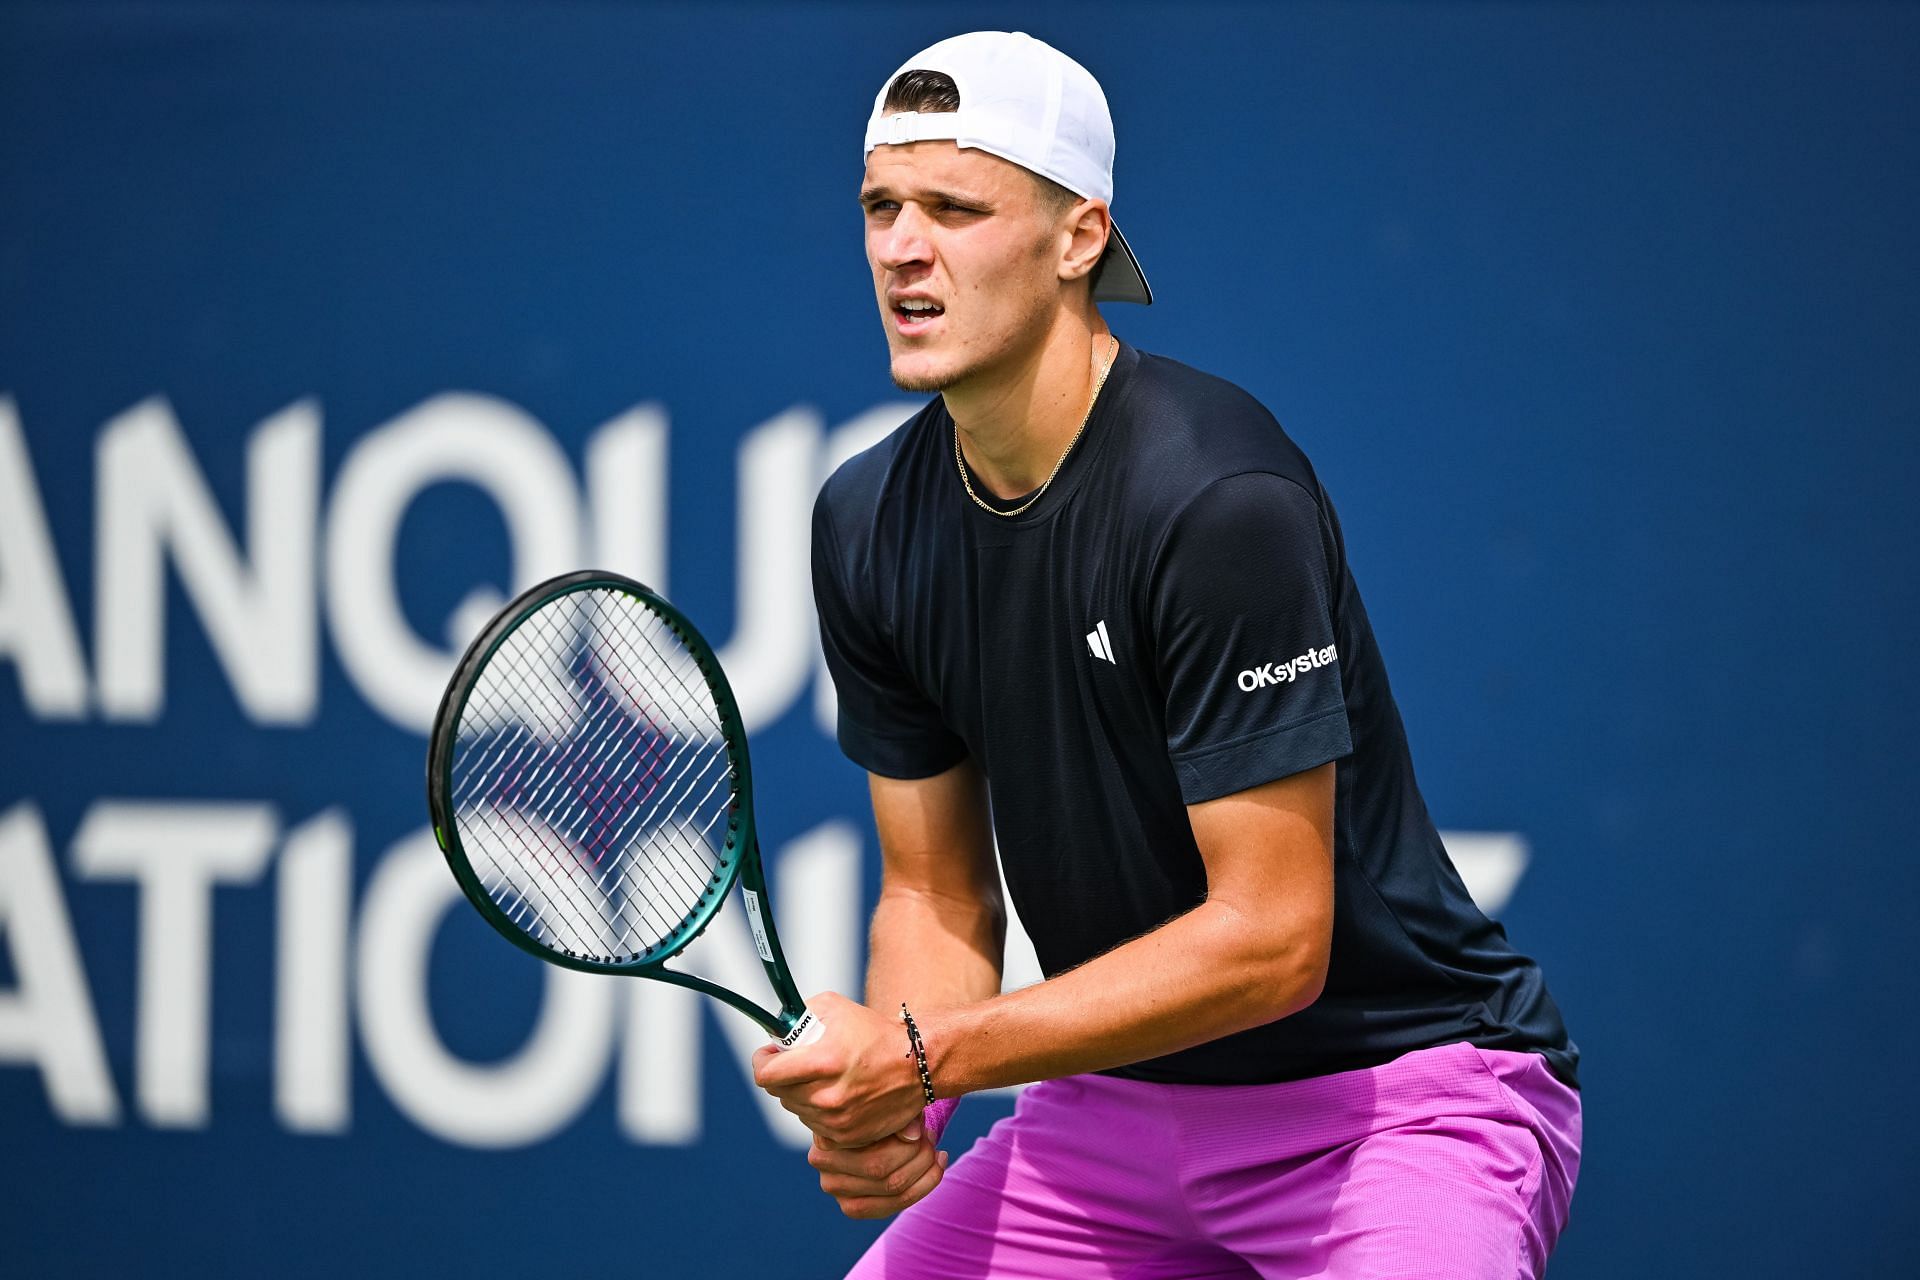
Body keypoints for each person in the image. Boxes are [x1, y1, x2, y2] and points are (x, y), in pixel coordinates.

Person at [753, 30, 1581, 1279]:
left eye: (955, 209)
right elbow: (934, 894)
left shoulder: (1214, 496)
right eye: (881, 206)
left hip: (1392, 1099)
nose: (901, 248)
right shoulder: (866, 519)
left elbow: (1269, 938)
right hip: (1114, 1119)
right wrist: (898, 1108)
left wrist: (929, 1056)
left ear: (1079, 235)